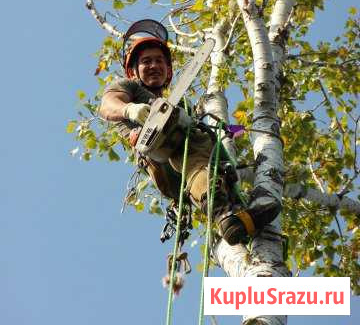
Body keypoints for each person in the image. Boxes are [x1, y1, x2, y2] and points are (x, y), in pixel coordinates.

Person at [99, 19, 281, 246]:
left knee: (215, 157)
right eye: (146, 61)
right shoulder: (129, 88)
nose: (153, 65)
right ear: (134, 71)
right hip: (159, 156)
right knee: (188, 140)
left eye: (159, 61)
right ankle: (222, 212)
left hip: (188, 171)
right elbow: (107, 104)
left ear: (168, 72)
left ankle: (238, 218)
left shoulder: (180, 103)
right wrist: (130, 109)